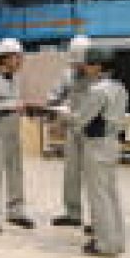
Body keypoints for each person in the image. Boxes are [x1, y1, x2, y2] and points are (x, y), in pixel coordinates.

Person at [59, 47, 128, 258]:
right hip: (111, 144)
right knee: (110, 193)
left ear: (98, 66)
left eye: (88, 64)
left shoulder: (98, 91)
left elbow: (81, 119)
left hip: (96, 145)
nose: (85, 68)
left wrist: (61, 114)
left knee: (98, 196)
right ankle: (116, 239)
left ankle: (104, 244)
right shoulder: (119, 88)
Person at [0, 38, 36, 234]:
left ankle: (16, 211)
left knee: (16, 171)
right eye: (17, 57)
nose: (20, 61)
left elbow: (14, 102)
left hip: (13, 131)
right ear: (4, 58)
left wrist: (26, 109)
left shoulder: (15, 79)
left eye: (20, 57)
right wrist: (12, 105)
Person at [50, 35, 93, 230]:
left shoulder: (98, 77)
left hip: (94, 134)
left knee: (94, 177)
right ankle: (73, 214)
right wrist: (55, 107)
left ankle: (96, 218)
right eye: (75, 64)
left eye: (81, 64)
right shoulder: (68, 74)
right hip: (73, 131)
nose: (78, 68)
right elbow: (54, 96)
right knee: (71, 174)